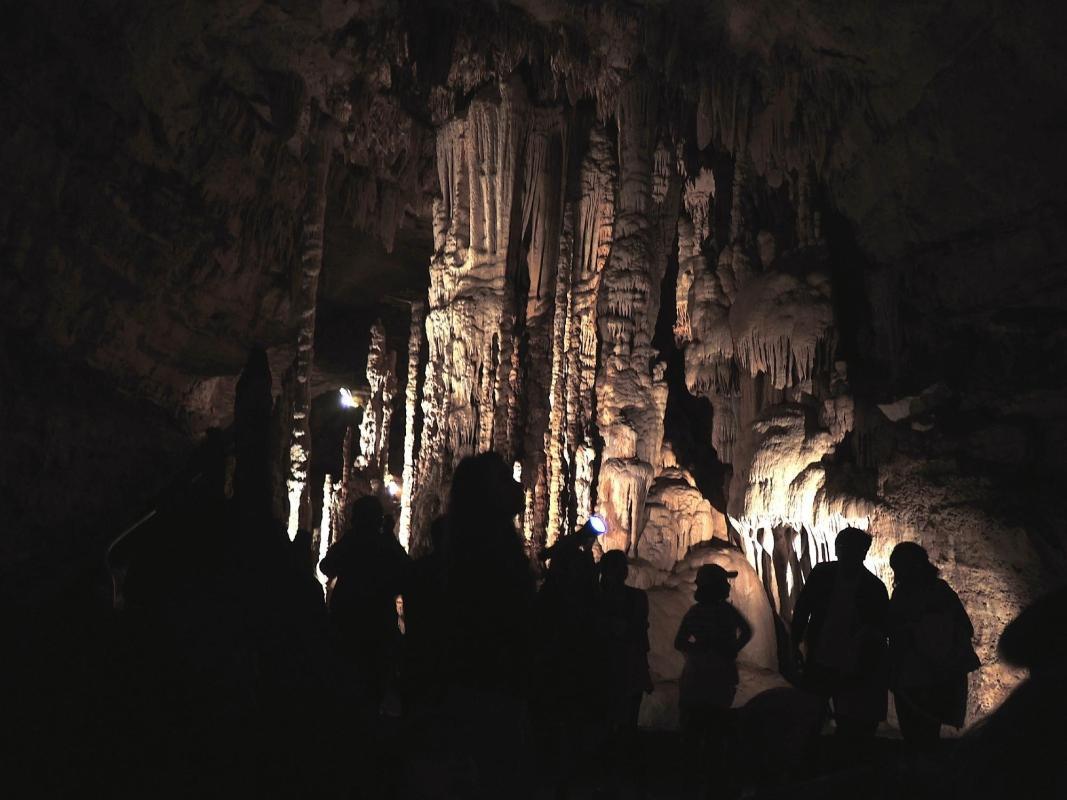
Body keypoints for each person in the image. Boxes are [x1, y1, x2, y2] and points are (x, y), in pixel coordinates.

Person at [791, 527, 889, 742]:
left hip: (853, 664)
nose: (847, 554)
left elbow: (881, 630)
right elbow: (803, 608)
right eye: (844, 548)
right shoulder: (822, 574)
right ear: (837, 550)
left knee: (848, 720)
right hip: (820, 657)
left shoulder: (873, 588)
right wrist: (793, 643)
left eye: (853, 549)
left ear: (864, 552)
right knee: (811, 715)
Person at [320, 495, 411, 711]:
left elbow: (326, 565)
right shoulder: (383, 545)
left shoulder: (352, 542)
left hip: (348, 619)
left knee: (348, 682)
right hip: (377, 623)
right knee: (372, 684)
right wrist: (389, 537)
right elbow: (408, 571)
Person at [887, 542, 979, 748]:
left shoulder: (905, 595)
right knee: (927, 735)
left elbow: (895, 634)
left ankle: (920, 775)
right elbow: (966, 627)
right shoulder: (940, 591)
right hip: (934, 676)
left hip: (917, 677)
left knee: (916, 735)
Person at [674, 563, 752, 777]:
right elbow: (746, 632)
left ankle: (692, 776)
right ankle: (711, 776)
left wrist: (697, 651)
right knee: (715, 730)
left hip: (696, 678)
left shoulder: (695, 613)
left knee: (694, 729)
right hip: (717, 678)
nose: (728, 587)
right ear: (716, 587)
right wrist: (729, 649)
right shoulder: (726, 612)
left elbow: (679, 642)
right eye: (724, 582)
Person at [598, 550, 654, 793]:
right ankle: (625, 775)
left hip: (616, 668)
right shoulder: (635, 598)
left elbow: (637, 633)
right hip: (620, 668)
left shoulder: (601, 599)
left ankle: (615, 775)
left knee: (616, 722)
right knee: (623, 723)